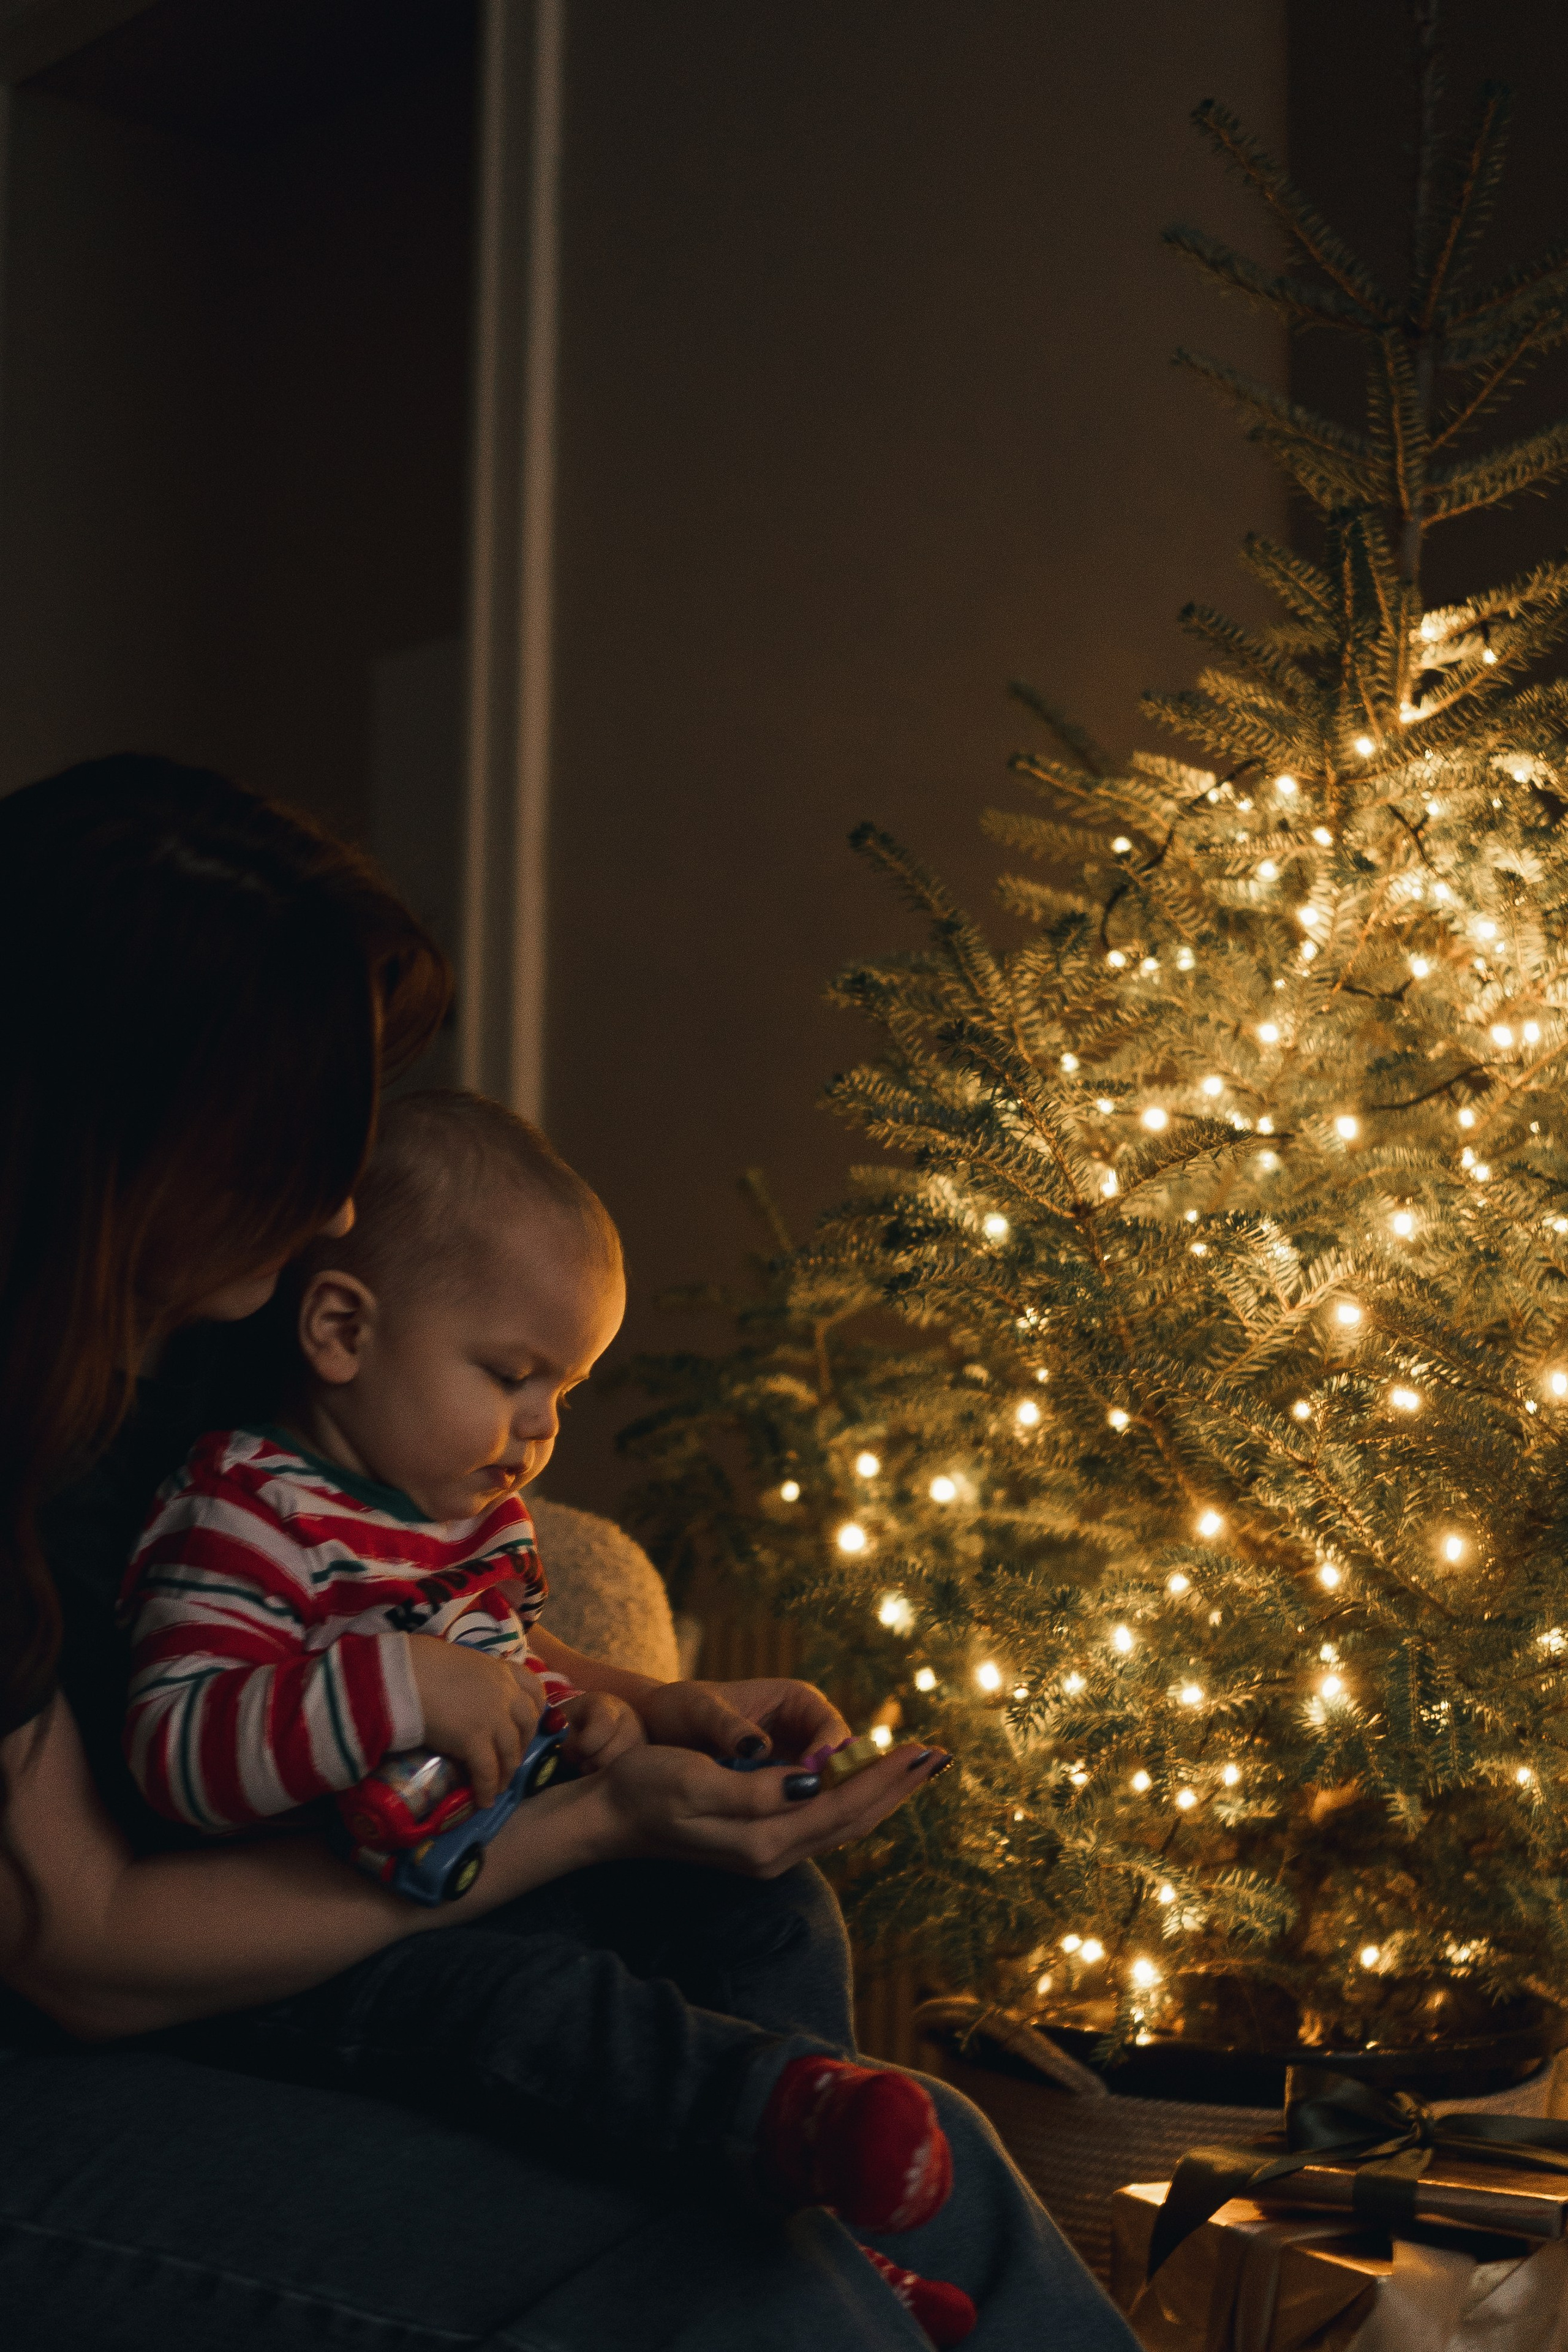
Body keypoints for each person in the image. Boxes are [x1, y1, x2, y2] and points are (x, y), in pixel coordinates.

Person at [0, 753, 1140, 2351]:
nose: (337, 1201)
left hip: (281, 1909)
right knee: (755, 2300)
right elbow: (84, 1948)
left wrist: (652, 1715)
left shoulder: (215, 1327)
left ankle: (817, 2173)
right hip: (72, 2053)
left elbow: (417, 1609)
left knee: (942, 2163)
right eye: (294, 1140)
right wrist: (584, 1826)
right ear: (123, 1138)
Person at [118, 1087, 974, 2339]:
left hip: (497, 1862)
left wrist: (615, 1718)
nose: (539, 1427)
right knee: (546, 2005)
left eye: (562, 1390)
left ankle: (825, 2218)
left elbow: (510, 1668)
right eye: (511, 1375)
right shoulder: (246, 1509)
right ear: (342, 1330)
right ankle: (770, 2130)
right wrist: (404, 1683)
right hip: (328, 1940)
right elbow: (179, 1752)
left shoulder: (469, 1520)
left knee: (767, 1905)